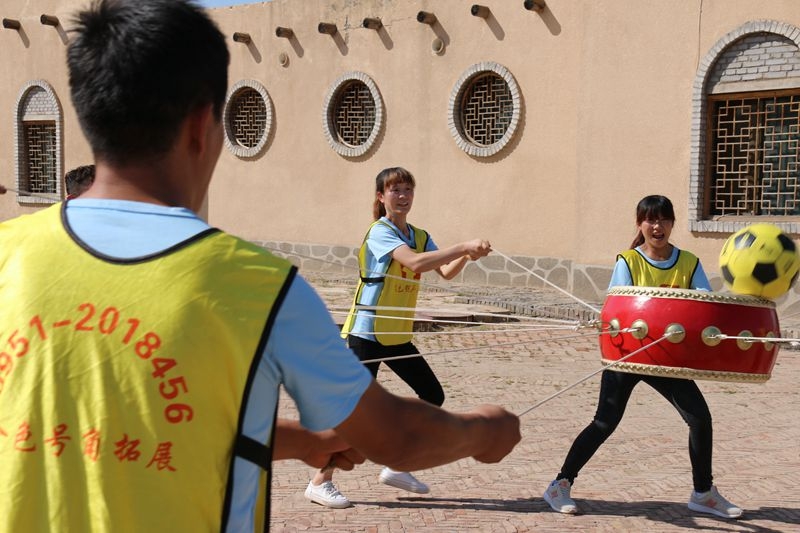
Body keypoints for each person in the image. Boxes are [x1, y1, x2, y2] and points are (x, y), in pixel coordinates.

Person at [0, 2, 521, 532]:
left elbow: (157, 426)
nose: (403, 194)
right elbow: (398, 437)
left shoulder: (6, 255)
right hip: (369, 329)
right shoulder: (258, 285)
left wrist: (304, 442)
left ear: (87, 113)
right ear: (203, 126)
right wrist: (484, 431)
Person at [541, 195, 742, 519]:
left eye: (663, 219)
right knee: (604, 423)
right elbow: (617, 306)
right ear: (640, 224)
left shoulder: (689, 263)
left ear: (673, 224)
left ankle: (703, 493)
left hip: (668, 358)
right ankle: (559, 485)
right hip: (629, 356)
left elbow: (703, 303)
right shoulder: (628, 262)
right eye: (650, 220)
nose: (657, 226)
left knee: (700, 420)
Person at [304, 166, 493, 508]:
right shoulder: (380, 232)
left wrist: (467, 256)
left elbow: (446, 273)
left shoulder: (419, 234)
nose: (403, 196)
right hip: (367, 333)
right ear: (381, 197)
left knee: (432, 395)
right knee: (357, 412)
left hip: (395, 334)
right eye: (395, 191)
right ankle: (320, 480)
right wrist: (462, 244)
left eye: (407, 190)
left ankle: (397, 463)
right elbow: (417, 264)